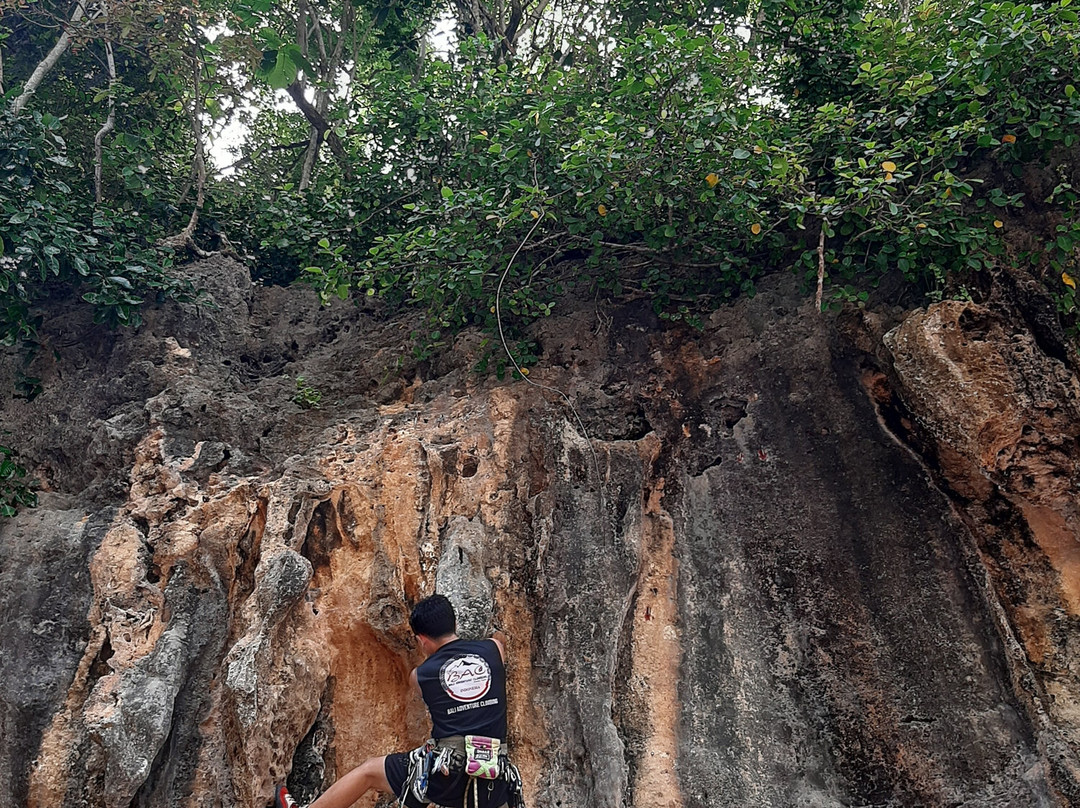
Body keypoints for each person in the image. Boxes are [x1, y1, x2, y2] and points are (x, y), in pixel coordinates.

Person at [275, 594, 521, 808]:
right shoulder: (493, 650)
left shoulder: (421, 676)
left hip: (448, 777)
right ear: (453, 623)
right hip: (493, 777)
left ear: (422, 640)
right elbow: (500, 639)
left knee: (370, 771)